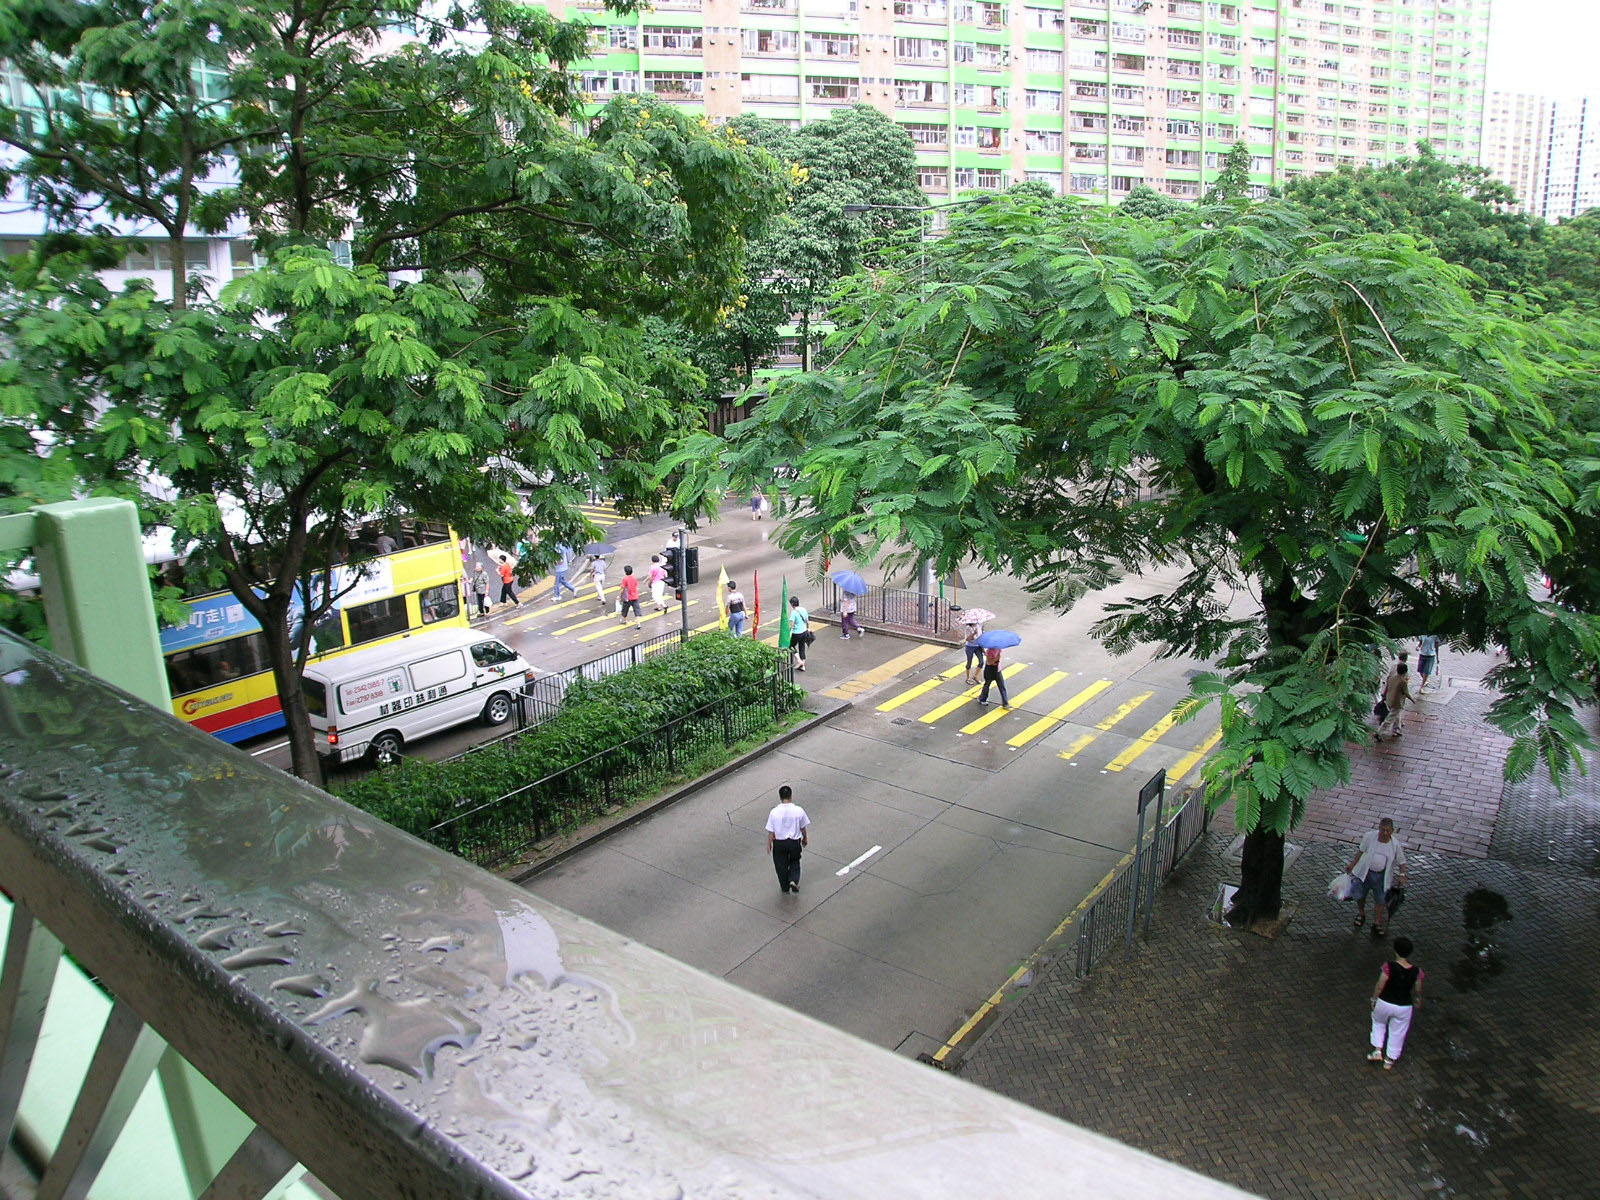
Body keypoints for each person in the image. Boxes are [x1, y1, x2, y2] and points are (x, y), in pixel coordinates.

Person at [1368, 936, 1424, 1069]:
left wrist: (1374, 998)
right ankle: (1390, 1059)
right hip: (1404, 1006)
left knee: (1378, 1022)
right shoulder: (1417, 971)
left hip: (1385, 1002)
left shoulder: (1388, 967)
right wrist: (1417, 999)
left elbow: (1380, 985)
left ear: (1395, 951)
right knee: (1398, 1031)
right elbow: (1418, 988)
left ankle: (1377, 1050)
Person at [1346, 818, 1408, 936]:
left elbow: (1401, 861)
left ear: (1392, 831)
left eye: (1387, 831)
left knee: (1380, 900)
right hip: (1366, 873)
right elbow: (1361, 851)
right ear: (1379, 828)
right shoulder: (1369, 837)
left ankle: (1377, 922)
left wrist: (1402, 875)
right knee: (1360, 895)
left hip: (1381, 877)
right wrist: (1352, 865)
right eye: (1382, 830)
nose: (1384, 833)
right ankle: (1361, 914)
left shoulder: (1395, 845)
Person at [764, 784, 810, 895]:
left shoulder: (774, 812)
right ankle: (793, 880)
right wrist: (805, 838)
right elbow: (803, 827)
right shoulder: (798, 810)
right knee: (795, 861)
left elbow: (771, 830)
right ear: (791, 796)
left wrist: (769, 843)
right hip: (794, 842)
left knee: (780, 865)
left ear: (780, 797)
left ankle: (785, 886)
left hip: (779, 843)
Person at [1377, 662, 1414, 739]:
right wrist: (1412, 700)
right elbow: (1406, 692)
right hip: (1397, 702)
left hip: (1389, 700)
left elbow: (1387, 688)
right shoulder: (1402, 682)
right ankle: (1379, 732)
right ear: (1405, 672)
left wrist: (1384, 697)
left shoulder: (1391, 678)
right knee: (1390, 718)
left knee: (1397, 715)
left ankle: (1397, 730)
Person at [788, 595, 812, 671]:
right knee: (802, 647)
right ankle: (803, 665)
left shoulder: (794, 612)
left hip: (797, 633)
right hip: (804, 631)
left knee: (791, 646)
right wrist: (807, 628)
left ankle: (799, 660)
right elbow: (807, 621)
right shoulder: (804, 610)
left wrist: (789, 633)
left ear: (792, 604)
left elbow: (791, 625)